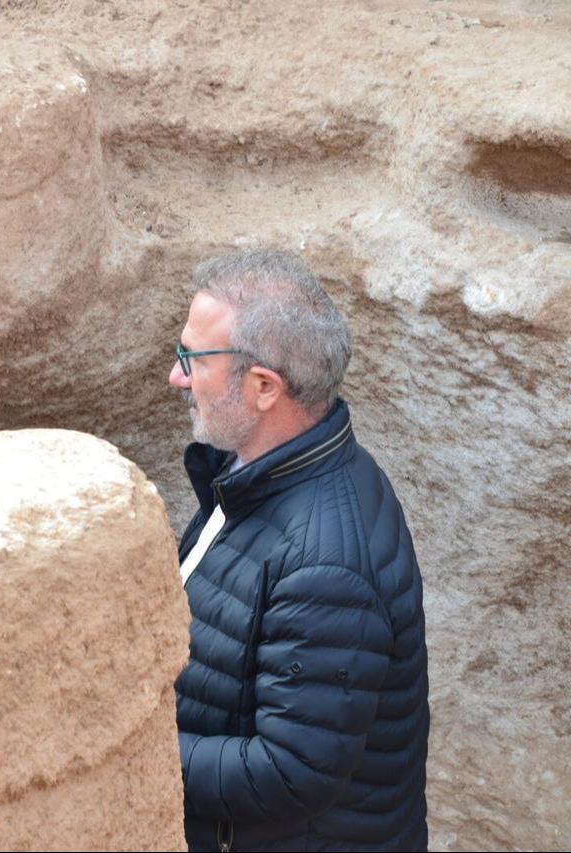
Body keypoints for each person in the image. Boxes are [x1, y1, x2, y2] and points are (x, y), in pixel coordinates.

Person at [168, 250, 429, 851]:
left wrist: (129, 744)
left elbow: (290, 772)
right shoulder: (250, 475)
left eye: (192, 359)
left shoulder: (327, 564)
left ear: (263, 387)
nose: (177, 377)